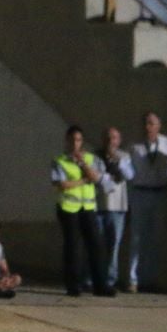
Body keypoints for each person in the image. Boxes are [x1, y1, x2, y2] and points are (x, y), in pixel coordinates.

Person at [51, 124, 111, 297]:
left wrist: (83, 164)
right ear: (67, 141)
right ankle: (73, 285)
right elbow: (62, 184)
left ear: (82, 142)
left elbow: (97, 177)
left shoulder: (91, 159)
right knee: (73, 247)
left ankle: (101, 285)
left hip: (88, 207)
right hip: (68, 208)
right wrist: (84, 180)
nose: (75, 144)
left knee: (96, 245)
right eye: (72, 140)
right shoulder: (59, 160)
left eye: (78, 140)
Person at [126, 111, 167, 293]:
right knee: (136, 237)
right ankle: (133, 278)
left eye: (152, 123)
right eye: (146, 123)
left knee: (156, 237)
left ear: (159, 126)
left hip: (160, 191)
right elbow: (130, 173)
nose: (148, 127)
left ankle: (152, 278)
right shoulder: (135, 147)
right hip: (141, 192)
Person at [96, 126, 134, 295]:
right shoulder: (95, 156)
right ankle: (93, 277)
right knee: (97, 244)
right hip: (99, 206)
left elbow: (129, 175)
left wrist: (117, 160)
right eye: (108, 137)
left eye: (115, 138)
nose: (111, 141)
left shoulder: (124, 156)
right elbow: (98, 178)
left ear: (119, 141)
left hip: (118, 207)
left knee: (114, 246)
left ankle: (110, 280)